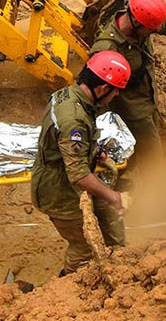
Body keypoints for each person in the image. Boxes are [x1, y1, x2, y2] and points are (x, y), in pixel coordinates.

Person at [30, 50, 131, 275]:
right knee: (85, 245)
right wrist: (115, 197)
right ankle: (68, 285)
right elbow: (78, 175)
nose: (115, 98)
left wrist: (95, 152)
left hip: (65, 176)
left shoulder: (68, 95)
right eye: (115, 93)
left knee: (109, 223)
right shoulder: (73, 120)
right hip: (58, 191)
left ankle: (118, 260)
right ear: (103, 89)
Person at [90, 0, 166, 168]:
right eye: (150, 29)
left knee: (140, 154)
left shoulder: (140, 26)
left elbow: (165, 26)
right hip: (133, 112)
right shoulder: (107, 49)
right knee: (153, 157)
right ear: (136, 21)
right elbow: (93, 91)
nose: (154, 32)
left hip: (149, 100)